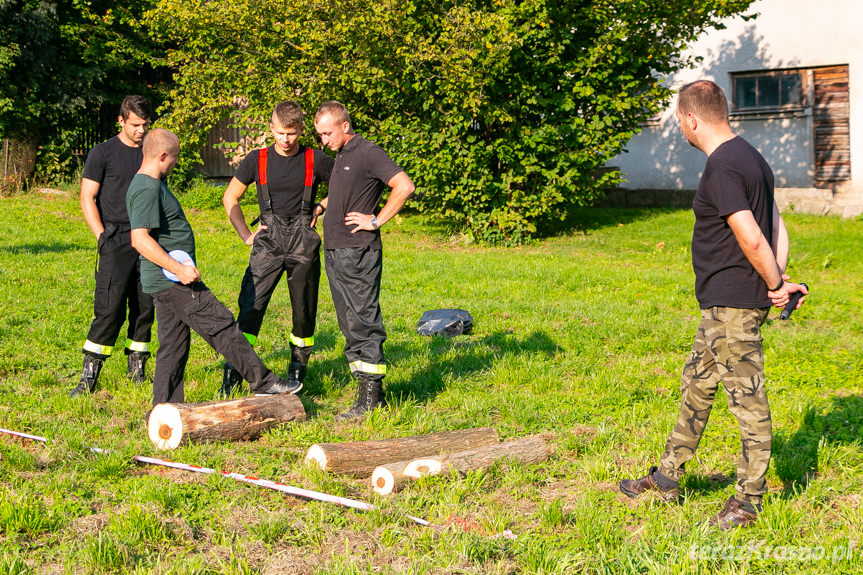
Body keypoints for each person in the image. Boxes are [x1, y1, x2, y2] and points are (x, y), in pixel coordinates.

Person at [618, 80, 808, 530]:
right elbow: (777, 226)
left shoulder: (722, 167)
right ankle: (667, 477)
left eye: (680, 120)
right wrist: (776, 282)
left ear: (691, 119)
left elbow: (750, 233)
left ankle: (748, 502)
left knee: (748, 400)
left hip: (732, 307)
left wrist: (775, 284)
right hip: (727, 303)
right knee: (697, 386)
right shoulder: (752, 158)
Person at [126, 128, 301, 407]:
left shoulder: (149, 184)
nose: (176, 161)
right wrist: (179, 269)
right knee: (220, 325)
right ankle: (264, 383)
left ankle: (165, 409)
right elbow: (140, 239)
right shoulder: (147, 187)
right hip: (172, 279)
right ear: (161, 156)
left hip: (164, 280)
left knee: (172, 347)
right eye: (175, 157)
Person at [220, 101, 334, 397]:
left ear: (301, 130)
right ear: (271, 128)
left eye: (292, 133)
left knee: (304, 310)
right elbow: (230, 197)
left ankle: (298, 369)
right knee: (250, 306)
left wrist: (321, 206)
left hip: (303, 242)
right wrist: (246, 235)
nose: (286, 140)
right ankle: (235, 369)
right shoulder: (256, 160)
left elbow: (345, 187)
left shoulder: (316, 159)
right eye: (281, 133)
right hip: (267, 243)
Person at [313, 101, 415, 419]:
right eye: (319, 135)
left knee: (363, 321)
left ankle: (372, 400)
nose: (323, 141)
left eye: (327, 133)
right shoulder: (342, 155)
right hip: (336, 251)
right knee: (348, 322)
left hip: (358, 252)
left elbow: (404, 185)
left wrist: (375, 221)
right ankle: (363, 391)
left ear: (345, 126)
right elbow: (347, 191)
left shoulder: (369, 152)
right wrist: (321, 206)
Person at [71, 96, 156, 397]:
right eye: (135, 125)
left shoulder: (152, 153)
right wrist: (102, 237)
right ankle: (89, 375)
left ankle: (138, 370)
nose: (141, 131)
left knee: (145, 307)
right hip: (116, 239)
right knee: (109, 308)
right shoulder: (102, 153)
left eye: (145, 125)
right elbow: (86, 197)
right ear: (121, 121)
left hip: (148, 239)